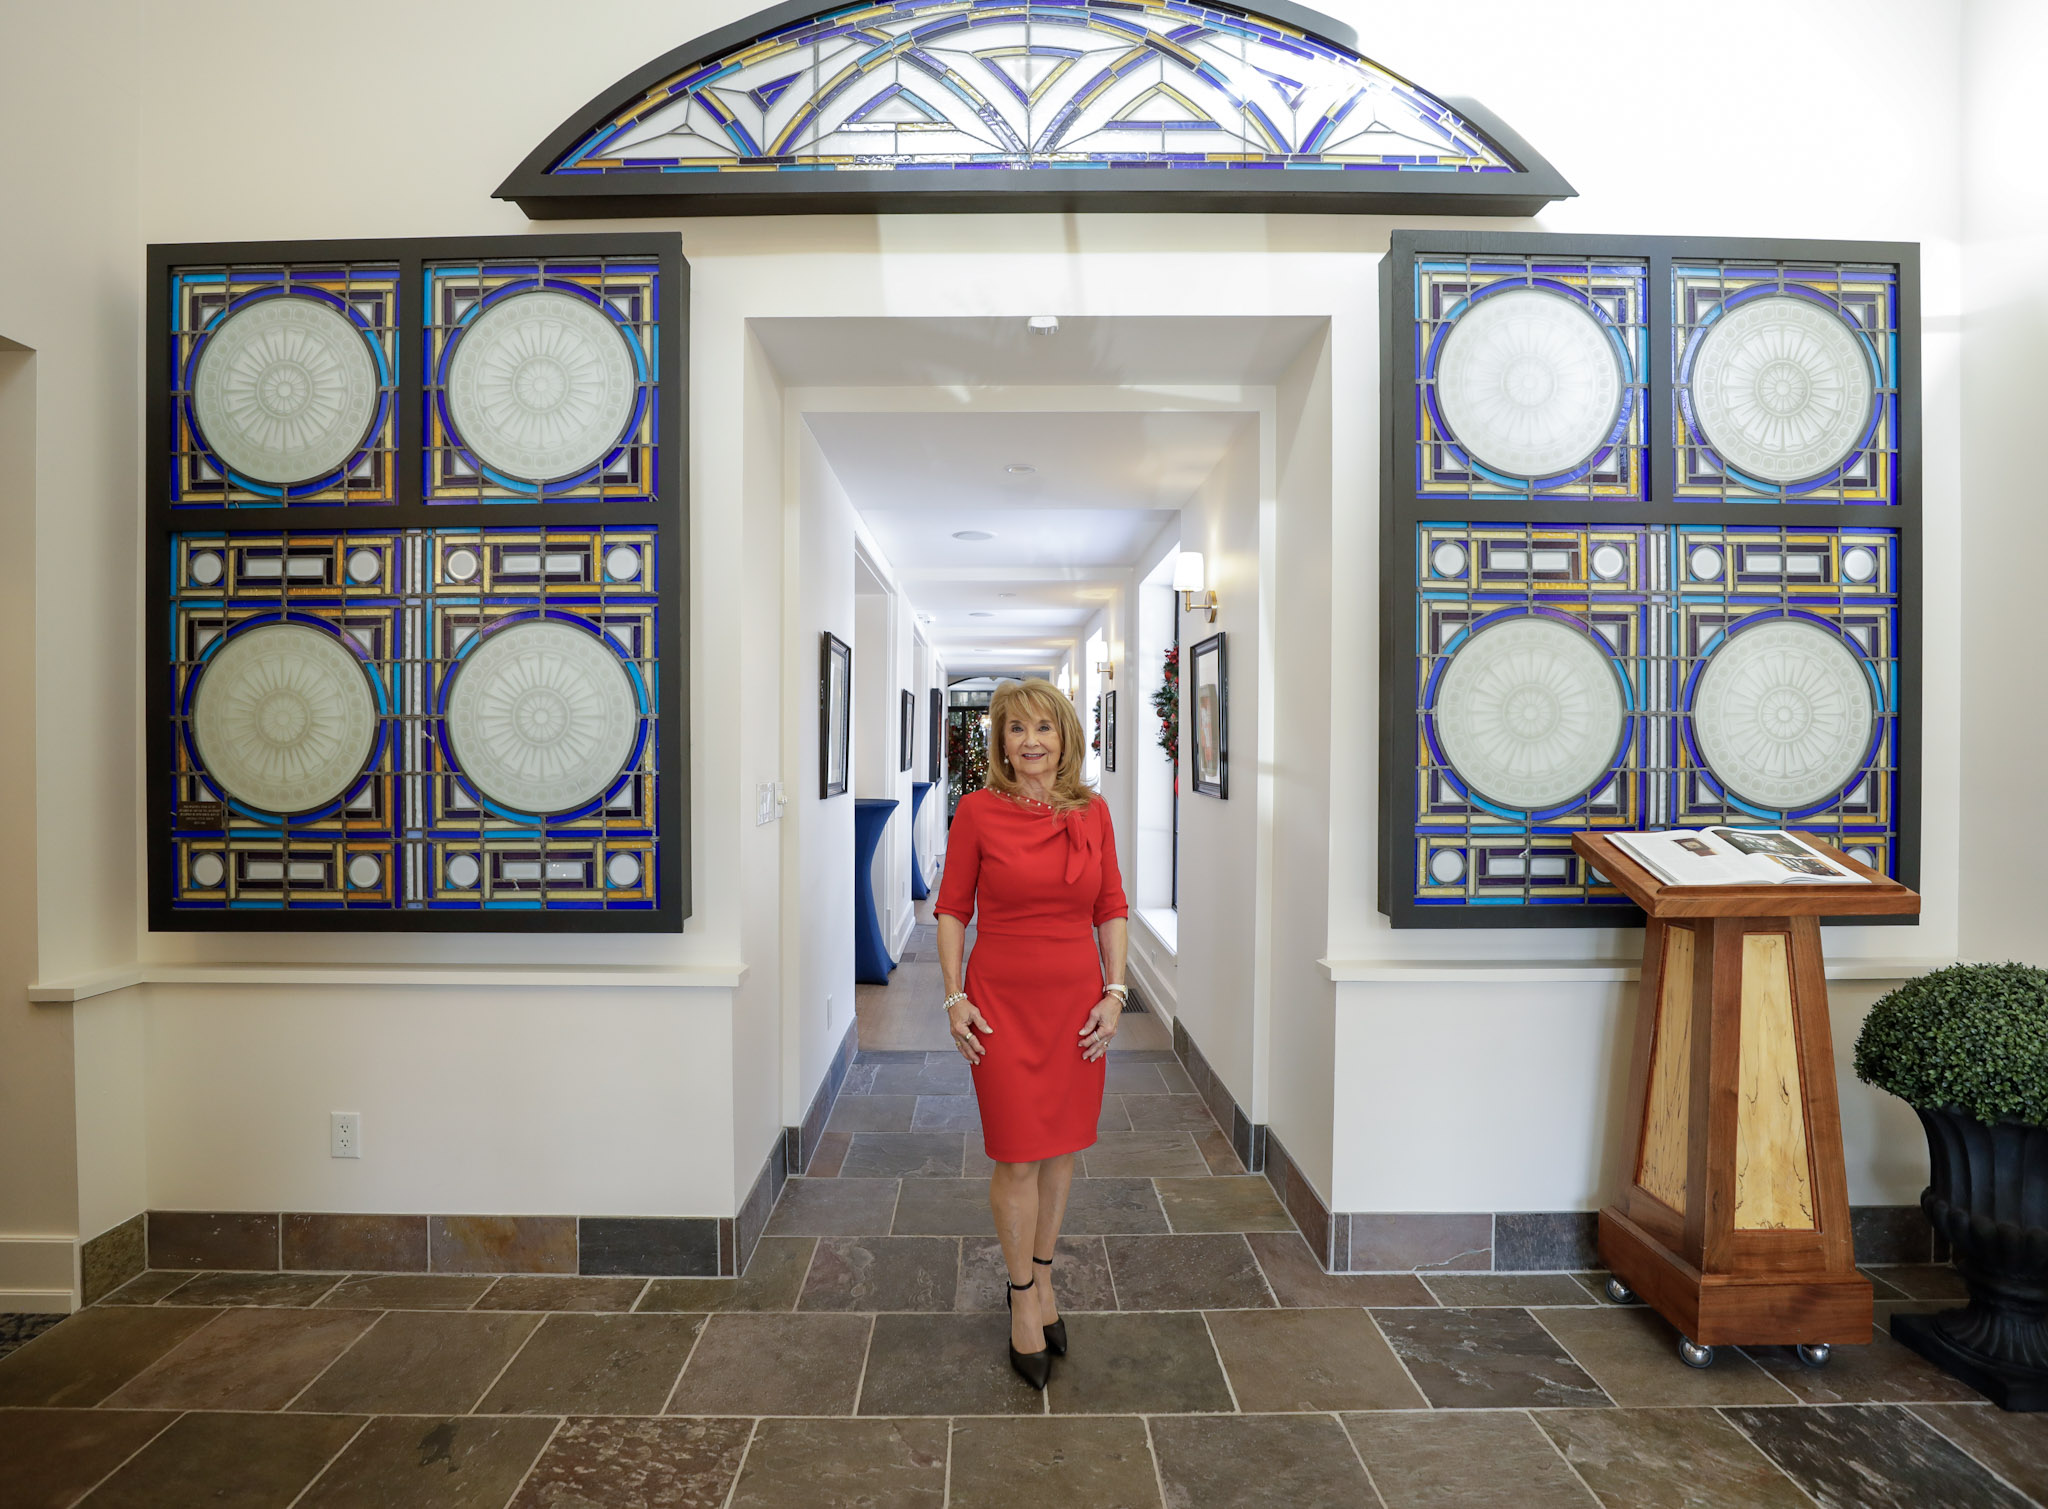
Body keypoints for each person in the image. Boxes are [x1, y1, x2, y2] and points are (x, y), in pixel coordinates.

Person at [933, 677, 1129, 1391]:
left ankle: (1045, 1277)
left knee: (1062, 1148)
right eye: (1016, 729)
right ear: (1001, 742)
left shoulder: (1094, 812)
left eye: (1043, 727)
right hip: (1002, 1003)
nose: (1031, 741)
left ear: (1065, 736)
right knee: (1016, 1153)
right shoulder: (978, 813)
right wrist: (954, 996)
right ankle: (1020, 1296)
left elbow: (1112, 905)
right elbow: (953, 908)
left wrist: (1115, 992)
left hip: (1077, 1004)